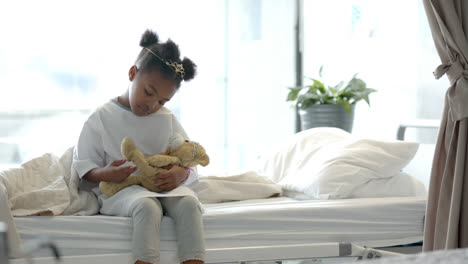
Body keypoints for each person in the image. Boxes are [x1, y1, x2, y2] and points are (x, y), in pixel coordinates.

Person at [72, 29, 205, 264]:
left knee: (190, 204)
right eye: (149, 93)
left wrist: (180, 174)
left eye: (162, 101)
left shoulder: (168, 120)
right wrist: (107, 173)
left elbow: (189, 158)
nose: (152, 105)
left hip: (164, 189)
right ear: (132, 73)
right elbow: (83, 165)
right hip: (122, 191)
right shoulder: (102, 117)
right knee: (147, 206)